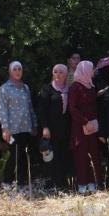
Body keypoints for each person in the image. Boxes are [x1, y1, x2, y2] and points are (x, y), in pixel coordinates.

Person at [0, 61, 37, 191]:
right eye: (15, 69)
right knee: (14, 154)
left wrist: (34, 124)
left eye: (20, 69)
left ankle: (21, 181)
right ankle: (7, 180)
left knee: (24, 155)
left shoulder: (25, 88)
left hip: (26, 127)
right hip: (12, 129)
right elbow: (2, 110)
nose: (18, 71)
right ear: (9, 71)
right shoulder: (4, 88)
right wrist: (5, 128)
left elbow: (30, 107)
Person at [69, 60, 104, 193]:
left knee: (93, 154)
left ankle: (92, 182)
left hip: (92, 126)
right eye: (91, 69)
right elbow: (72, 108)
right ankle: (82, 184)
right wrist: (84, 121)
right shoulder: (75, 87)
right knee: (81, 155)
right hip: (80, 127)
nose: (93, 71)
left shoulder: (90, 85)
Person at [37, 64, 71, 193]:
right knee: (52, 155)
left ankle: (62, 183)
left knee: (63, 154)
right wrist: (45, 127)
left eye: (61, 72)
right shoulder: (47, 89)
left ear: (66, 74)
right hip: (51, 128)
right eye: (55, 72)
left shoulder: (69, 89)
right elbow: (41, 111)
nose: (58, 74)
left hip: (65, 128)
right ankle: (52, 182)